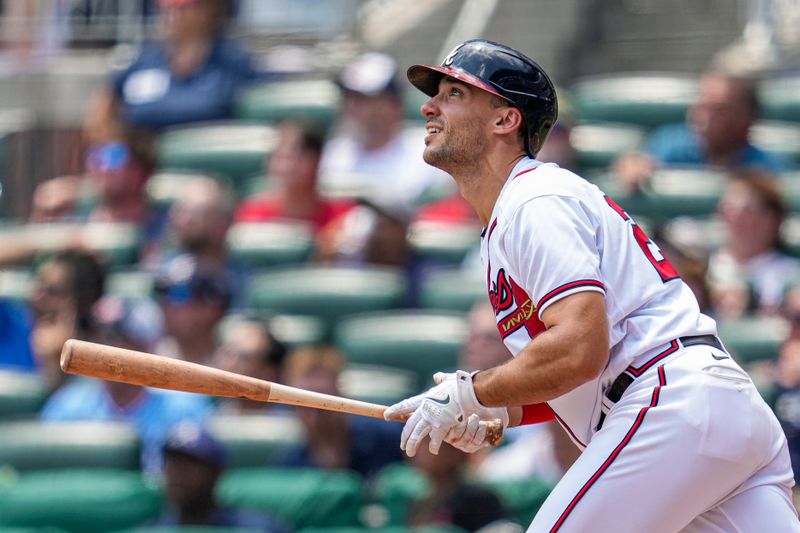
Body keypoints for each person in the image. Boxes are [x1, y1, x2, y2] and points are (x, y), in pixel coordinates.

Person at [383, 39, 799, 532]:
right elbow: (582, 369)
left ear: (504, 119)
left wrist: (472, 391)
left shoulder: (534, 200)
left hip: (668, 403)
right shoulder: (518, 212)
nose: (429, 106)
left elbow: (579, 348)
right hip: (707, 409)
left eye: (453, 93)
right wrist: (497, 410)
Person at [41, 295, 211, 471]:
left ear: (145, 347)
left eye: (116, 338)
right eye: (100, 336)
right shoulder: (66, 407)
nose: (104, 348)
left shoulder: (183, 410)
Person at [83, 0, 261, 143]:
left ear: (210, 9)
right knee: (61, 188)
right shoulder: (143, 61)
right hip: (142, 168)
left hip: (205, 169)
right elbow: (100, 118)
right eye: (165, 5)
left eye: (184, 6)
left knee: (199, 190)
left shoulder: (233, 62)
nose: (172, 12)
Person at [613, 71, 785, 193]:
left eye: (718, 110)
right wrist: (634, 164)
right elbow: (637, 163)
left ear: (747, 119)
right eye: (702, 106)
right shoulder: (671, 146)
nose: (703, 118)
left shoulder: (765, 169)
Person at [318, 52, 449, 209]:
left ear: (392, 106)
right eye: (348, 97)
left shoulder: (428, 154)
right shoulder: (333, 155)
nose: (350, 106)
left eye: (361, 99)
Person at [280, 345, 403, 479]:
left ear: (341, 395)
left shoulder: (390, 438)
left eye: (322, 404)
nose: (315, 417)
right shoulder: (290, 467)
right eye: (304, 405)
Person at [155, 421, 291, 531]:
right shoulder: (154, 529)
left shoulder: (258, 528)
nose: (178, 474)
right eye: (173, 464)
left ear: (216, 474)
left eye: (189, 465)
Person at [234, 120, 355, 234]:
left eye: (291, 157)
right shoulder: (251, 215)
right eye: (277, 157)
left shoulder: (343, 217)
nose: (282, 167)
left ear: (317, 160)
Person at [707, 171, 800, 318]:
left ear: (773, 219)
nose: (735, 219)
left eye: (746, 211)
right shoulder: (705, 265)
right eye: (729, 209)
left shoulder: (792, 274)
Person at [407, 441, 513, 532]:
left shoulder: (477, 500)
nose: (417, 447)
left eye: (429, 441)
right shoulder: (417, 498)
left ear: (457, 451)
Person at [153, 254, 233, 365]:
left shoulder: (233, 364)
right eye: (165, 295)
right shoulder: (154, 358)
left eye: (179, 295)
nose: (170, 306)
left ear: (212, 308)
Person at [211, 318, 288, 414]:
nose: (229, 364)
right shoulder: (205, 412)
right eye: (228, 352)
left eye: (243, 357)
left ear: (269, 372)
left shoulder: (294, 420)